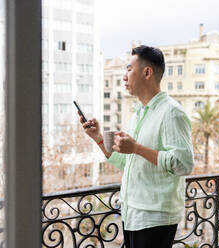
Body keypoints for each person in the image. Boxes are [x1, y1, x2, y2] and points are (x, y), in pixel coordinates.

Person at [79, 45, 194, 248]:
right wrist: (97, 137)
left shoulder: (171, 113)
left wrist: (136, 148)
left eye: (129, 69)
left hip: (155, 218)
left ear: (147, 72)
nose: (124, 77)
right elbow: (127, 161)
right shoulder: (138, 114)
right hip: (132, 214)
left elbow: (184, 163)